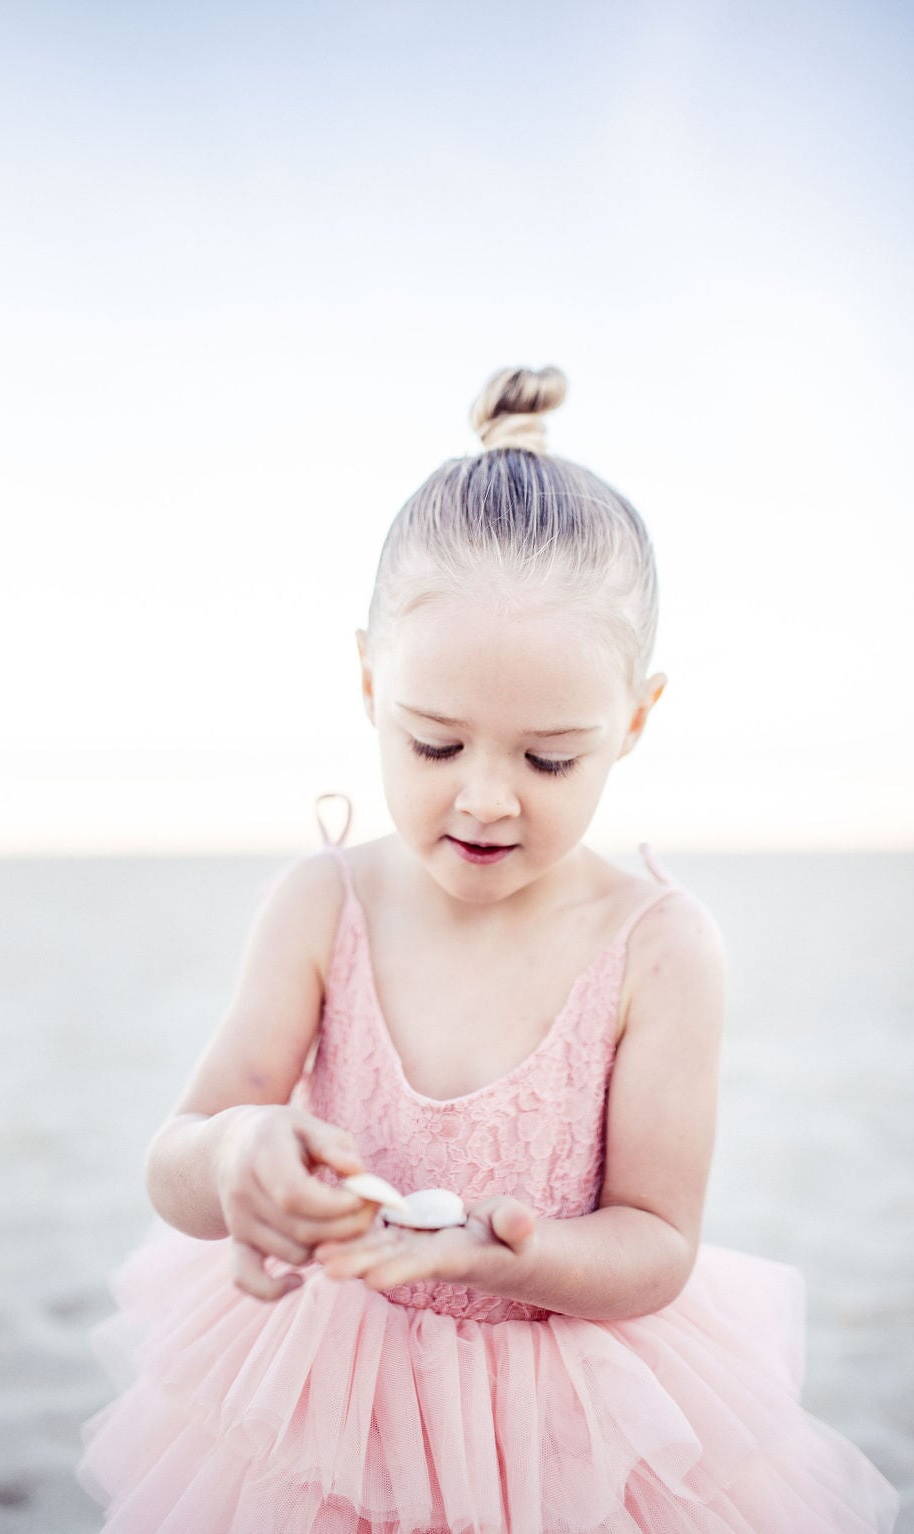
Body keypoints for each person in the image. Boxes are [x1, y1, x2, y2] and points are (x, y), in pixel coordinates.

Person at [78, 366, 899, 1532]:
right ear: (370, 683)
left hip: (570, 1421)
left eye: (548, 759)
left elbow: (655, 1240)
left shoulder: (660, 949)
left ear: (636, 718)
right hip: (327, 1404)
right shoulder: (323, 905)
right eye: (434, 742)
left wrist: (506, 1252)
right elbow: (177, 1155)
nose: (484, 798)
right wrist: (234, 1162)